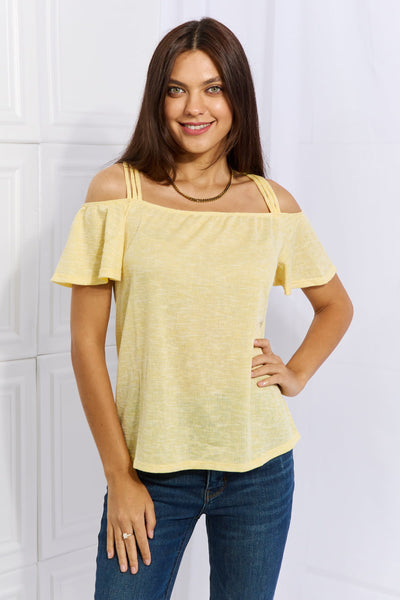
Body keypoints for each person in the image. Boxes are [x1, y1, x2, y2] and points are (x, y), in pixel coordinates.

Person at [51, 17, 353, 600]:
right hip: (150, 471)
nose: (195, 107)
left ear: (237, 97)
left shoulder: (270, 205)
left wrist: (295, 373)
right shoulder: (116, 195)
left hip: (259, 470)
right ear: (157, 99)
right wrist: (119, 476)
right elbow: (85, 345)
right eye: (177, 89)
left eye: (213, 88)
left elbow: (335, 306)